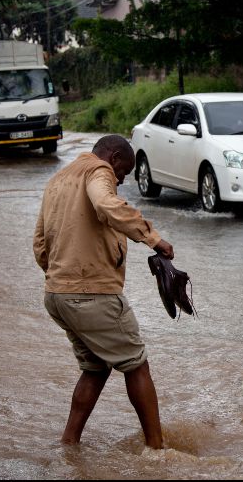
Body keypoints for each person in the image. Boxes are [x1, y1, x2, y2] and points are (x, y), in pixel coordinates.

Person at [33, 134, 174, 449]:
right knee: (136, 363)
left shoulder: (58, 179)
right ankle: (157, 450)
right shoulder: (98, 172)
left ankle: (69, 443)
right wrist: (152, 237)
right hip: (92, 294)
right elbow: (105, 203)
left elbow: (40, 243)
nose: (121, 180)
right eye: (123, 172)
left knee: (95, 368)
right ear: (113, 157)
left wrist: (60, 276)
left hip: (56, 295)